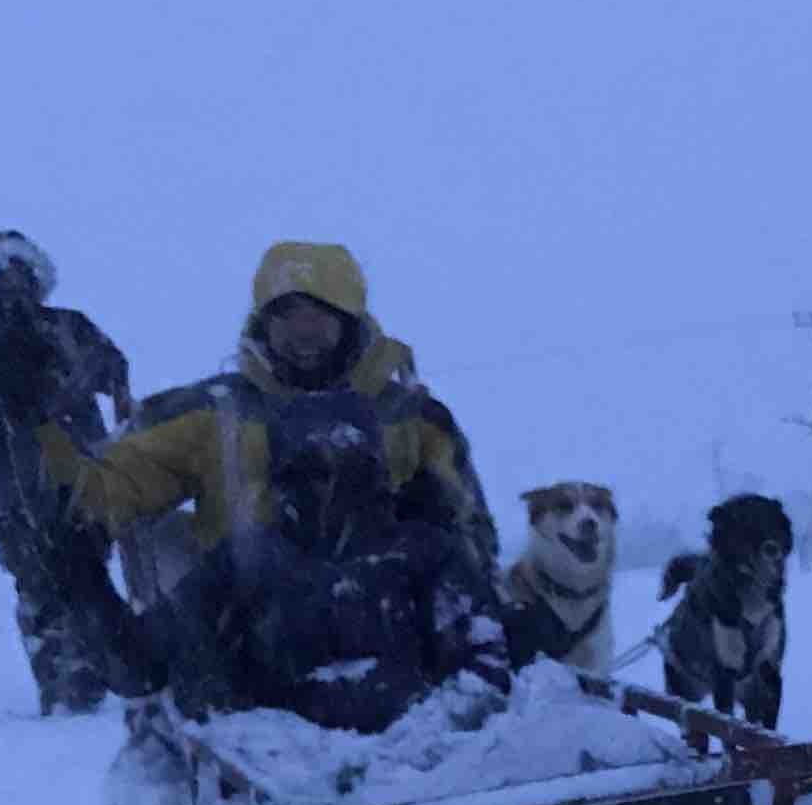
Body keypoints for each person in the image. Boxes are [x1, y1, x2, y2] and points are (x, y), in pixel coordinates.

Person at [47, 240, 497, 592]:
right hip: (249, 622)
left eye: (320, 316)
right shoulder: (214, 413)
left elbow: (467, 522)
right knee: (160, 537)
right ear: (263, 325)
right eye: (287, 316)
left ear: (351, 324)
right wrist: (54, 453)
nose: (304, 333)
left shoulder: (411, 416)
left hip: (385, 612)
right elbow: (116, 486)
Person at [122, 381, 509, 730]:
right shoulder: (246, 560)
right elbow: (151, 653)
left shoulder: (423, 551)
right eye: (308, 474)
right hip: (281, 773)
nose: (327, 491)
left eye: (349, 471)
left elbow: (482, 660)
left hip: (424, 768)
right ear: (282, 478)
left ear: (374, 471)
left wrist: (436, 735)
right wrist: (88, 589)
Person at [0, 231, 134, 712]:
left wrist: (85, 384)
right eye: (1, 278)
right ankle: (62, 688)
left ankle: (101, 674)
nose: (13, 286)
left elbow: (114, 369)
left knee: (90, 576)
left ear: (38, 276)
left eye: (21, 273)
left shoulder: (70, 327)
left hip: (85, 477)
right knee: (37, 585)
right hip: (14, 491)